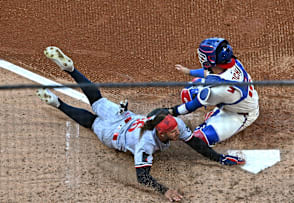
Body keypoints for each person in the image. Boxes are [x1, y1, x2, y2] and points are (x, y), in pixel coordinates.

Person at [37, 46, 245, 202]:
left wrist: (219, 158)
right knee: (92, 121)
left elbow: (195, 143)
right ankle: (58, 103)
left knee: (97, 100)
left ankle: (71, 70)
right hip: (113, 133)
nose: (178, 134)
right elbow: (142, 177)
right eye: (173, 132)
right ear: (161, 134)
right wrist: (165, 191)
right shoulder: (145, 143)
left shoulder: (173, 124)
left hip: (124, 116)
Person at [169, 37, 259, 147]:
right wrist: (188, 71)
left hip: (240, 115)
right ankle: (216, 114)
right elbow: (210, 74)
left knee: (199, 139)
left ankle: (217, 118)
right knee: (190, 90)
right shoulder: (233, 62)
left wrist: (171, 111)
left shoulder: (221, 90)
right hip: (236, 100)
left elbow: (194, 105)